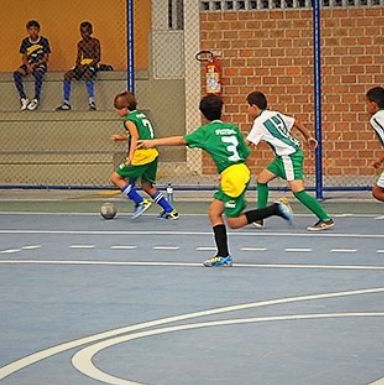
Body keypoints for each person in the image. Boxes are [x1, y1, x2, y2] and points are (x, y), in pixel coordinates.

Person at [137, 94, 293, 267]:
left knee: (233, 222)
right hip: (239, 171)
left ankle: (275, 209)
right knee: (214, 213)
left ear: (202, 115)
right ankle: (223, 255)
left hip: (233, 177)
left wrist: (153, 143)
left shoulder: (205, 132)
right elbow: (245, 152)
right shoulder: (232, 128)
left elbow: (181, 140)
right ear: (222, 111)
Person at [245, 91, 334, 231]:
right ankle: (259, 217)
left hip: (289, 156)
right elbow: (295, 122)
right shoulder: (274, 114)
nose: (248, 110)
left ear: (254, 107)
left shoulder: (259, 122)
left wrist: (233, 157)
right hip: (282, 157)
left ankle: (325, 219)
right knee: (262, 180)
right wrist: (308, 137)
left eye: (248, 107)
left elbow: (248, 144)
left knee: (298, 191)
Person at [108, 91, 179, 220]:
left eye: (118, 109)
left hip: (141, 155)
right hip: (152, 153)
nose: (117, 112)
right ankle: (170, 210)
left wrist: (130, 156)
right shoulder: (141, 116)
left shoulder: (129, 120)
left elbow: (135, 137)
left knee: (115, 178)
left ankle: (140, 201)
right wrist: (122, 138)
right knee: (147, 185)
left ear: (125, 108)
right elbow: (139, 134)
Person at [57, 21, 101, 111]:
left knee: (87, 75)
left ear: (91, 31)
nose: (84, 34)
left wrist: (88, 65)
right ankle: (66, 102)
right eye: (82, 32)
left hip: (92, 64)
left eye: (86, 32)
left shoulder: (95, 42)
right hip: (83, 64)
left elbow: (98, 58)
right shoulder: (80, 43)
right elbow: (78, 58)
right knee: (67, 75)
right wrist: (78, 66)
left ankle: (91, 102)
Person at [13, 20, 51, 111]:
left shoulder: (44, 41)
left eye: (35, 29)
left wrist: (36, 64)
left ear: (38, 30)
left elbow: (46, 58)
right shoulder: (25, 42)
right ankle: (23, 98)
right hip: (29, 64)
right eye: (31, 29)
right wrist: (27, 65)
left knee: (38, 74)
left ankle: (36, 98)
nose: (33, 31)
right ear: (28, 31)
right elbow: (24, 56)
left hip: (39, 64)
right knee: (17, 74)